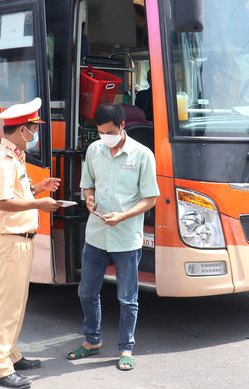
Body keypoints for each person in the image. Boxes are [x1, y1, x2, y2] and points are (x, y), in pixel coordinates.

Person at [67, 102, 159, 371]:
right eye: (100, 132)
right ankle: (92, 341)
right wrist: (89, 198)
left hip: (126, 237)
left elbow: (150, 199)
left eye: (108, 131)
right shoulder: (95, 150)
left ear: (122, 127)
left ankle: (126, 348)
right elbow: (88, 186)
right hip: (96, 234)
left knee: (127, 298)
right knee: (86, 291)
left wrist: (123, 216)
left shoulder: (142, 155)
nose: (104, 137)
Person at [0, 97, 61, 389]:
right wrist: (39, 204)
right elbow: (1, 201)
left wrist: (38, 188)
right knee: (6, 306)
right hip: (10, 243)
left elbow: (18, 191)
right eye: (34, 128)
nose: (35, 133)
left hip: (19, 241)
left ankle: (11, 354)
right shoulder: (3, 160)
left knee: (17, 303)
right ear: (21, 130)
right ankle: (0, 367)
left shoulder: (15, 156)